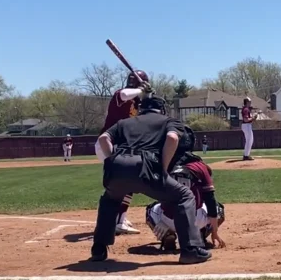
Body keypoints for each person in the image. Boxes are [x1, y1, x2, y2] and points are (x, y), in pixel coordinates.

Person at [90, 95, 211, 264]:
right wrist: (163, 168)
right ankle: (190, 250)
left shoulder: (124, 122)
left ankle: (98, 249)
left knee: (110, 201)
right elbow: (173, 138)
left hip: (117, 166)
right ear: (162, 110)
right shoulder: (169, 121)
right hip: (146, 166)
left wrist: (112, 161)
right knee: (184, 196)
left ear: (140, 109)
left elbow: (103, 139)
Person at [145, 126, 226, 251]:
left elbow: (156, 193)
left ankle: (167, 234)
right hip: (196, 220)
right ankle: (200, 233)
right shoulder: (199, 166)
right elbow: (210, 200)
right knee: (218, 208)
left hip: (169, 219)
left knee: (151, 209)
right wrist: (215, 232)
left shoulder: (163, 164)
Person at [94, 70, 150, 235]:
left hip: (120, 146)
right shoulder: (122, 94)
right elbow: (124, 94)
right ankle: (117, 220)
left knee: (129, 179)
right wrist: (141, 91)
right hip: (107, 143)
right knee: (127, 178)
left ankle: (120, 217)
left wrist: (148, 95)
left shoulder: (138, 102)